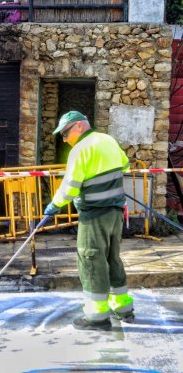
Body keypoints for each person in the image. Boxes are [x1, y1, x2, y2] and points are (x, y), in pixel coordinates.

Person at [44, 110, 134, 331]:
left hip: (94, 215)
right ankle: (123, 308)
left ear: (78, 126)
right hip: (115, 213)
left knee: (91, 260)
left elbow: (70, 185)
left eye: (65, 133)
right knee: (112, 258)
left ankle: (97, 317)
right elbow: (125, 165)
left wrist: (55, 205)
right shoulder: (108, 140)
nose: (64, 139)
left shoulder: (81, 149)